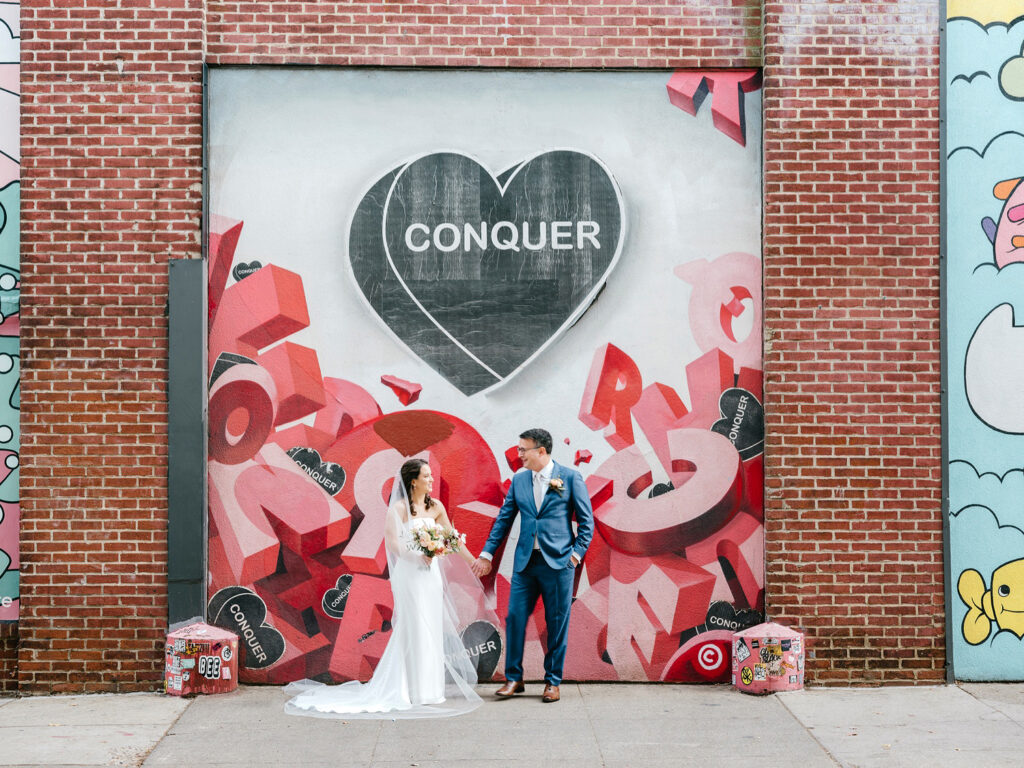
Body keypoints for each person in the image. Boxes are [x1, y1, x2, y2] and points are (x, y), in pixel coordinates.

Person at [284, 458, 487, 718]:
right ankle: (408, 689)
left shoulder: (435, 507)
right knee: (413, 625)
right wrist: (418, 553)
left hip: (430, 576)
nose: (431, 480)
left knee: (430, 626)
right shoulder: (400, 509)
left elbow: (451, 538)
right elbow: (393, 544)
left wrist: (474, 562)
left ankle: (430, 690)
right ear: (413, 480)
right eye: (427, 476)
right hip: (410, 574)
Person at [472, 428, 594, 703]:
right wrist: (487, 554)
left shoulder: (570, 477)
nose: (519, 455)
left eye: (523, 450)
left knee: (556, 622)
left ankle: (553, 682)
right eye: (518, 449)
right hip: (525, 563)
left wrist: (574, 557)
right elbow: (504, 519)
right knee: (514, 618)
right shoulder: (520, 480)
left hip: (559, 562)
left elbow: (587, 523)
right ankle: (514, 678)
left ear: (541, 451)